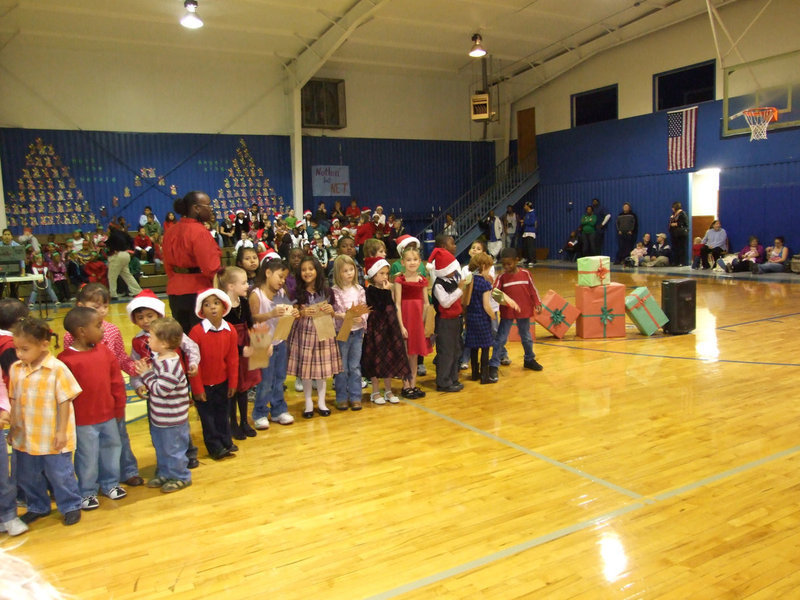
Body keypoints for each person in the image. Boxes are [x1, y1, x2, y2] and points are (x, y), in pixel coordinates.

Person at [63, 283, 145, 484]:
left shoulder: (112, 330)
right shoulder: (70, 336)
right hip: (88, 400)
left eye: (105, 306)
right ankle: (95, 479)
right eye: (95, 306)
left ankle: (128, 470)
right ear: (80, 306)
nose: (101, 311)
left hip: (111, 394)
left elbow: (121, 358)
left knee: (119, 435)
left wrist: (136, 368)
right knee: (89, 443)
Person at [9, 317, 83, 526]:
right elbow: (14, 399)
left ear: (43, 344)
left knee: (60, 474)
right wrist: (13, 428)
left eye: (25, 349)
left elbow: (64, 401)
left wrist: (61, 431)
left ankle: (70, 505)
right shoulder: (16, 368)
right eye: (17, 349)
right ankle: (37, 506)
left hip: (51, 436)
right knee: (28, 475)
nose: (19, 354)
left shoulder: (57, 368)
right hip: (25, 436)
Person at [58, 307, 127, 511]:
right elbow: (63, 395)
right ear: (81, 331)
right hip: (83, 421)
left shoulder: (105, 352)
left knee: (111, 450)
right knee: (87, 456)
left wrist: (119, 407)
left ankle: (110, 483)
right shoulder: (65, 360)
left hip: (108, 416)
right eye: (98, 326)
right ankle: (87, 491)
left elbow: (116, 382)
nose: (103, 330)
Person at [126, 290, 201, 469]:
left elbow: (191, 347)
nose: (145, 321)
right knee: (158, 424)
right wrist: (137, 383)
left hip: (173, 386)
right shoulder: (137, 341)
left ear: (159, 315)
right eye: (140, 317)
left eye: (150, 316)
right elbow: (135, 365)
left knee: (179, 422)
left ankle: (188, 453)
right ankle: (166, 458)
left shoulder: (169, 333)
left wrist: (193, 363)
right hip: (153, 389)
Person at [134, 317, 193, 493]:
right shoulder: (160, 358)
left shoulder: (171, 365)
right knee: (161, 448)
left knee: (174, 450)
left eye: (151, 337)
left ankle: (181, 476)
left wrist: (146, 374)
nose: (148, 340)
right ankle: (165, 472)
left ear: (164, 343)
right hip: (160, 417)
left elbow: (160, 390)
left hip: (172, 420)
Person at [287, 257, 341, 419]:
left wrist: (331, 310)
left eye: (311, 269)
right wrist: (302, 312)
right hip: (304, 333)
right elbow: (292, 313)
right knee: (306, 370)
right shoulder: (296, 292)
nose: (307, 272)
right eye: (304, 270)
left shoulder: (327, 291)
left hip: (323, 332)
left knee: (322, 369)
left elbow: (334, 311)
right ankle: (308, 402)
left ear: (317, 270)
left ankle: (322, 402)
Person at [163, 191, 223, 334]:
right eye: (208, 205)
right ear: (196, 208)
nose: (211, 209)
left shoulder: (170, 231)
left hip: (175, 290)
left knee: (182, 337)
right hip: (198, 291)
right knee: (200, 338)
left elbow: (167, 264)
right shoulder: (200, 232)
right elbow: (211, 268)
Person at [249, 258, 297, 428]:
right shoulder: (256, 294)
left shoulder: (282, 293)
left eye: (284, 278)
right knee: (265, 381)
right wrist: (270, 314)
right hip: (261, 340)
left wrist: (292, 313)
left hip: (279, 339)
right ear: (268, 273)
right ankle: (260, 412)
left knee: (279, 378)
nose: (282, 281)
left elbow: (285, 312)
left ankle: (278, 410)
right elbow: (252, 319)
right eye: (280, 276)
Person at [361, 256, 410, 406]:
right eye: (381, 273)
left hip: (389, 328)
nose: (385, 277)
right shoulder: (370, 291)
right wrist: (387, 291)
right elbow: (378, 307)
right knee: (376, 359)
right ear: (373, 275)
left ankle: (388, 390)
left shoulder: (387, 289)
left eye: (386, 273)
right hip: (375, 329)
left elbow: (392, 307)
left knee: (389, 359)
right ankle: (375, 391)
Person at [488, 248, 543, 381]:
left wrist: (537, 302)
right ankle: (494, 364)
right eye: (503, 264)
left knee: (526, 337)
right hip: (507, 313)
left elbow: (533, 289)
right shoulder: (501, 277)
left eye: (509, 264)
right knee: (501, 339)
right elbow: (495, 292)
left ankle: (529, 359)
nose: (506, 267)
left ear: (516, 261)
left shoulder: (526, 274)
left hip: (524, 312)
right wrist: (505, 301)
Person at [220, 267, 261, 440]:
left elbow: (251, 325)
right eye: (243, 283)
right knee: (233, 388)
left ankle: (244, 421)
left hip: (245, 347)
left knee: (243, 388)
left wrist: (261, 344)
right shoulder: (222, 307)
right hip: (230, 349)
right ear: (231, 286)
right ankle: (232, 423)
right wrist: (239, 349)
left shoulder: (243, 302)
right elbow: (221, 337)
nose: (247, 286)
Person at [331, 255, 368, 410]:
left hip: (357, 332)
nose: (349, 273)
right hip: (342, 332)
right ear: (338, 273)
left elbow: (364, 307)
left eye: (351, 269)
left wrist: (362, 317)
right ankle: (341, 397)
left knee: (354, 366)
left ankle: (355, 396)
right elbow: (334, 312)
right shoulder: (334, 291)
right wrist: (344, 316)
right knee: (342, 368)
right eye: (345, 271)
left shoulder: (359, 289)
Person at [395, 245, 431, 399]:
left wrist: (423, 323)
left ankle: (413, 384)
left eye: (415, 259)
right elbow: (397, 304)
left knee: (414, 354)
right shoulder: (400, 280)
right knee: (405, 353)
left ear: (420, 262)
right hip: (405, 319)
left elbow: (426, 303)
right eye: (408, 260)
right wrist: (401, 325)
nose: (412, 262)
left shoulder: (422, 280)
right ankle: (405, 385)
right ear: (403, 262)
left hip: (417, 321)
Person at [429, 247, 466, 392]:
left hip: (455, 319)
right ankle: (443, 382)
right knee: (446, 352)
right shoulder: (439, 284)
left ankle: (453, 378)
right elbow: (445, 302)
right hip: (444, 321)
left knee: (456, 350)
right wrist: (459, 290)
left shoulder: (452, 280)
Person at [463, 252, 495, 384]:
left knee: (474, 347)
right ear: (483, 266)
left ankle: (475, 373)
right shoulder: (484, 284)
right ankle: (485, 376)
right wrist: (493, 316)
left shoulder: (470, 280)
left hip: (471, 317)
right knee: (485, 347)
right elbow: (486, 305)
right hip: (482, 318)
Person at [106, 221, 142, 300]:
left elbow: (108, 244)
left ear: (110, 229)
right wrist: (131, 250)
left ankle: (113, 294)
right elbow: (131, 240)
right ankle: (137, 291)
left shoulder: (112, 236)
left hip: (117, 255)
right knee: (127, 275)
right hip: (126, 254)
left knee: (112, 276)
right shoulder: (123, 233)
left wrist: (113, 249)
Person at [0, 229, 22, 299]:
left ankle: (14, 301)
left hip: (14, 271)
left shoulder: (17, 246)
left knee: (14, 289)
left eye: (8, 234)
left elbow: (21, 259)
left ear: (11, 236)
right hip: (1, 271)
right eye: (5, 234)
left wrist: (23, 271)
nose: (7, 236)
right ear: (2, 236)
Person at [669, 202, 689, 266]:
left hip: (681, 234)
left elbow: (684, 223)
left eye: (673, 207)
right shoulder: (674, 215)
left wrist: (676, 224)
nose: (672, 209)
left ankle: (682, 262)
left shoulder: (682, 214)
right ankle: (676, 261)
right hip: (675, 234)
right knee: (675, 248)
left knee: (681, 248)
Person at [520, 201, 538, 266]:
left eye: (525, 206)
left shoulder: (532, 213)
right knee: (526, 247)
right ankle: (528, 259)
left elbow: (532, 222)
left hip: (530, 232)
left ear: (528, 206)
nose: (524, 207)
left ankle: (532, 260)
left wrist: (524, 222)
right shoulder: (527, 213)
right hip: (526, 232)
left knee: (530, 247)